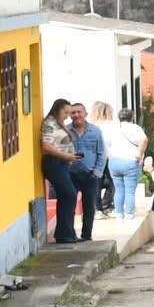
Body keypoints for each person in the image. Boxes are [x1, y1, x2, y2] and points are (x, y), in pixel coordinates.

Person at [94, 102, 147, 222]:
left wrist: (110, 156)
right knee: (129, 191)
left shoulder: (113, 129)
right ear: (132, 117)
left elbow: (105, 144)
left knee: (118, 188)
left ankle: (118, 214)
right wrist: (139, 153)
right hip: (130, 161)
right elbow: (143, 139)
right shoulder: (135, 128)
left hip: (114, 161)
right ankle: (128, 214)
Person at [40, 98, 81, 243]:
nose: (68, 116)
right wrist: (66, 155)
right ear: (58, 109)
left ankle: (68, 233)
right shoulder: (50, 123)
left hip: (62, 164)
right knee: (69, 195)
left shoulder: (59, 123)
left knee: (66, 197)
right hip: (54, 163)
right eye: (66, 112)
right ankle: (64, 233)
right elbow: (46, 145)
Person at [67, 102, 105, 244]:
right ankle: (70, 234)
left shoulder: (95, 131)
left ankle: (86, 235)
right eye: (73, 112)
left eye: (79, 112)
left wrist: (97, 172)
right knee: (69, 205)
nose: (76, 115)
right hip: (71, 174)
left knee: (89, 206)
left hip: (90, 175)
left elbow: (101, 153)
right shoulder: (66, 131)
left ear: (85, 114)